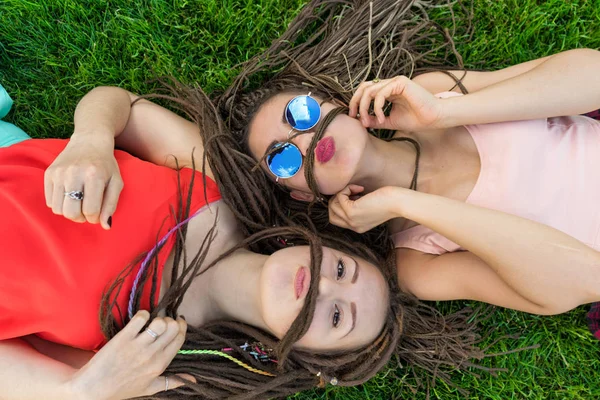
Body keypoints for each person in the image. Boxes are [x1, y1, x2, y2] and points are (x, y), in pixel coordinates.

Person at [0, 84, 487, 400]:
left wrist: (81, 394)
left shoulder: (155, 356)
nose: (322, 287)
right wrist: (90, 140)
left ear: (304, 356)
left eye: (337, 317)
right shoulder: (223, 189)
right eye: (341, 270)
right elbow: (121, 105)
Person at [205, 0, 600, 323]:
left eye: (301, 112)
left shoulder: (431, 93)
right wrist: (403, 202)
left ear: (333, 102)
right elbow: (586, 278)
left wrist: (447, 114)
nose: (305, 139)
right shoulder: (413, 259)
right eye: (283, 157)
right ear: (303, 196)